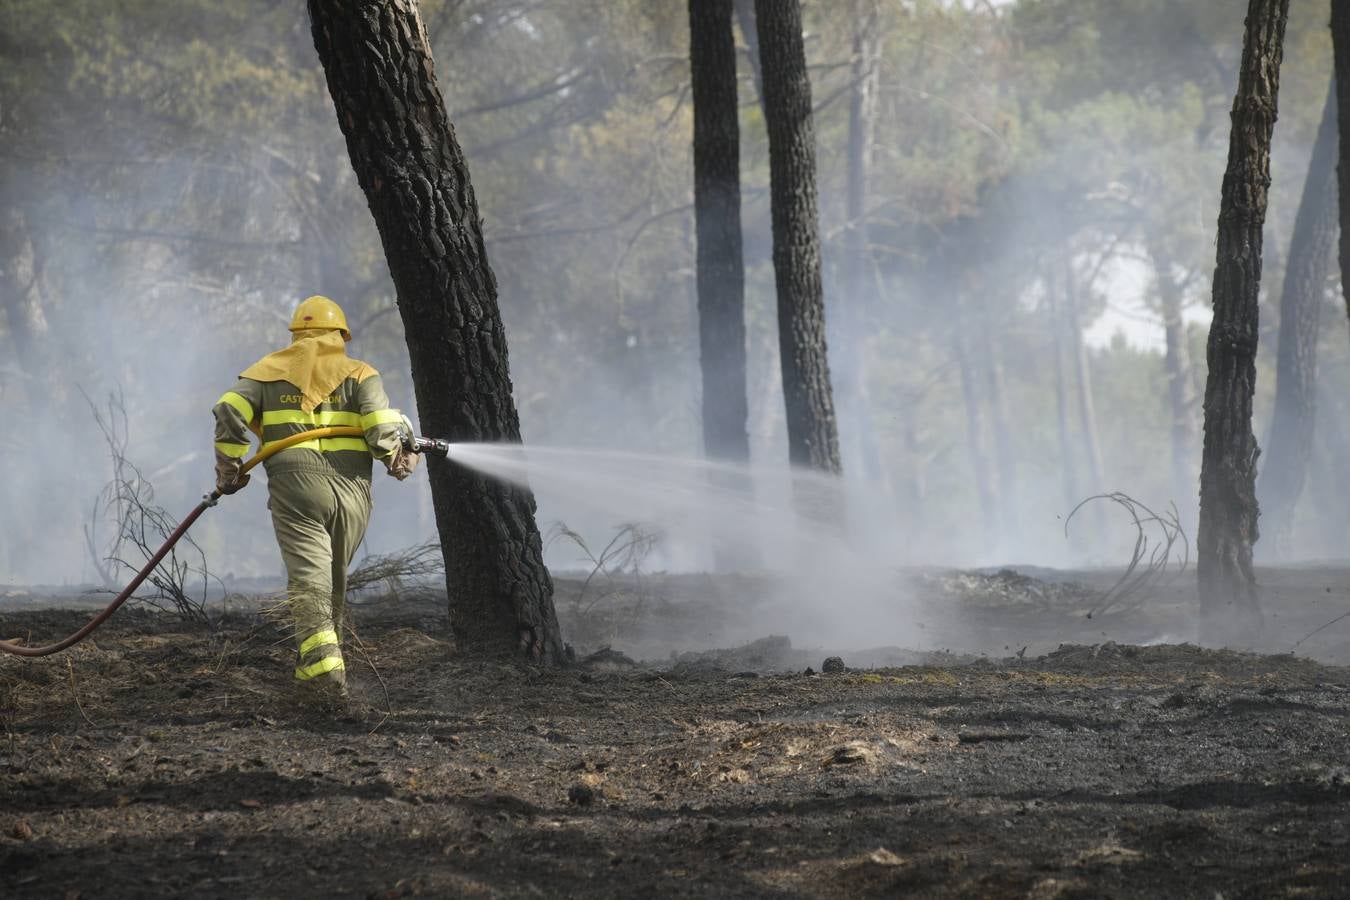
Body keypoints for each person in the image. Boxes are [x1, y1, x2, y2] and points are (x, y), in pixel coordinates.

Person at [212, 295, 418, 711]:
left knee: (311, 581)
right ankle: (320, 673)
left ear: (296, 335)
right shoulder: (361, 373)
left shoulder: (266, 373)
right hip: (353, 490)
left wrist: (230, 466)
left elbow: (228, 408)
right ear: (340, 335)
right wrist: (399, 459)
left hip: (296, 487)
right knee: (331, 583)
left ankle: (321, 675)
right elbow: (380, 428)